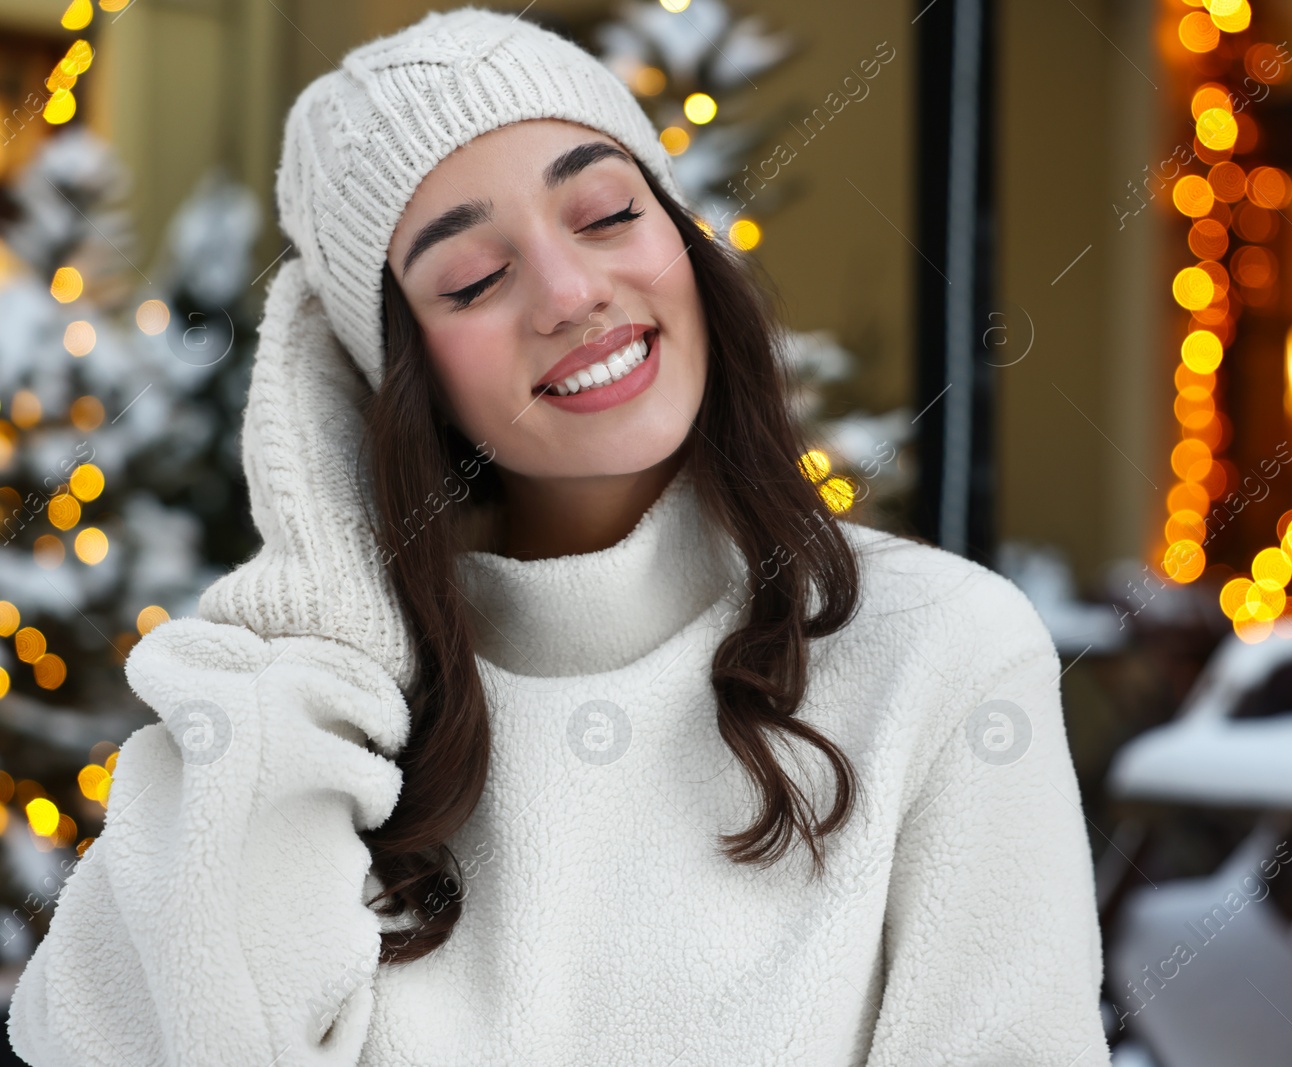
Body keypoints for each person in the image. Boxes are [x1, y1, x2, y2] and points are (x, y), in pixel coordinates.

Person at [7, 7, 1112, 1065]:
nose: (572, 291)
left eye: (606, 213)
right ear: (397, 378)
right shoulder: (307, 708)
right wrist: (321, 610)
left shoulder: (939, 652)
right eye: (473, 278)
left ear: (682, 242)